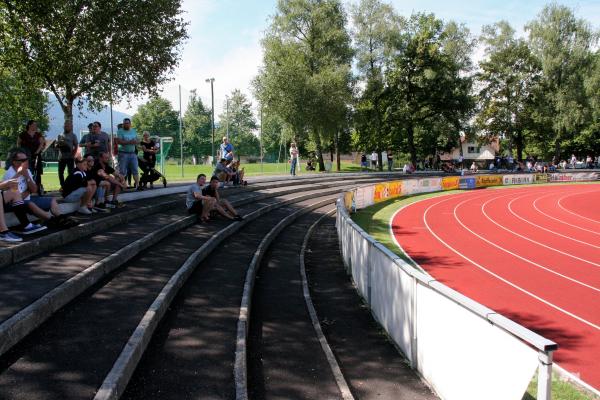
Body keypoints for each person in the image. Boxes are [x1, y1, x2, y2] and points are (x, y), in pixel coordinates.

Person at [3, 149, 70, 231]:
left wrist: (27, 176)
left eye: (27, 159)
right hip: (17, 203)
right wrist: (27, 188)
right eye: (23, 160)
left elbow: (34, 189)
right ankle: (52, 220)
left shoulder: (27, 171)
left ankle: (61, 218)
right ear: (14, 162)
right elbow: (16, 197)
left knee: (52, 200)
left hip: (28, 198)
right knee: (30, 203)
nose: (26, 161)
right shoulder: (10, 174)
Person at [17, 120, 46, 194]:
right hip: (25, 156)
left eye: (36, 125)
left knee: (37, 172)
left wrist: (37, 152)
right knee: (27, 170)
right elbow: (18, 143)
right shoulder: (23, 134)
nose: (35, 126)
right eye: (34, 125)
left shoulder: (38, 134)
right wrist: (21, 152)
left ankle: (38, 188)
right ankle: (26, 188)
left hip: (36, 155)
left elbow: (42, 143)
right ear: (29, 125)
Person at [116, 118, 140, 190]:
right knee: (122, 171)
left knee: (135, 170)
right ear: (123, 124)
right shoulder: (120, 131)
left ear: (130, 124)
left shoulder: (133, 130)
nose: (126, 124)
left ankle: (137, 185)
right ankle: (122, 186)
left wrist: (136, 141)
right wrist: (130, 142)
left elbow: (137, 140)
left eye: (127, 123)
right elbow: (119, 142)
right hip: (123, 153)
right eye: (125, 123)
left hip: (132, 153)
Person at [55, 120, 79, 189]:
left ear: (71, 127)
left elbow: (76, 146)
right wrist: (59, 144)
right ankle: (62, 186)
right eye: (65, 126)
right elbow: (55, 145)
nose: (66, 127)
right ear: (63, 126)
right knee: (60, 173)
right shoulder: (60, 135)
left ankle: (70, 185)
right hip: (61, 157)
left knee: (71, 173)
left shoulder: (73, 135)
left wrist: (73, 154)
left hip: (70, 157)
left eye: (68, 126)